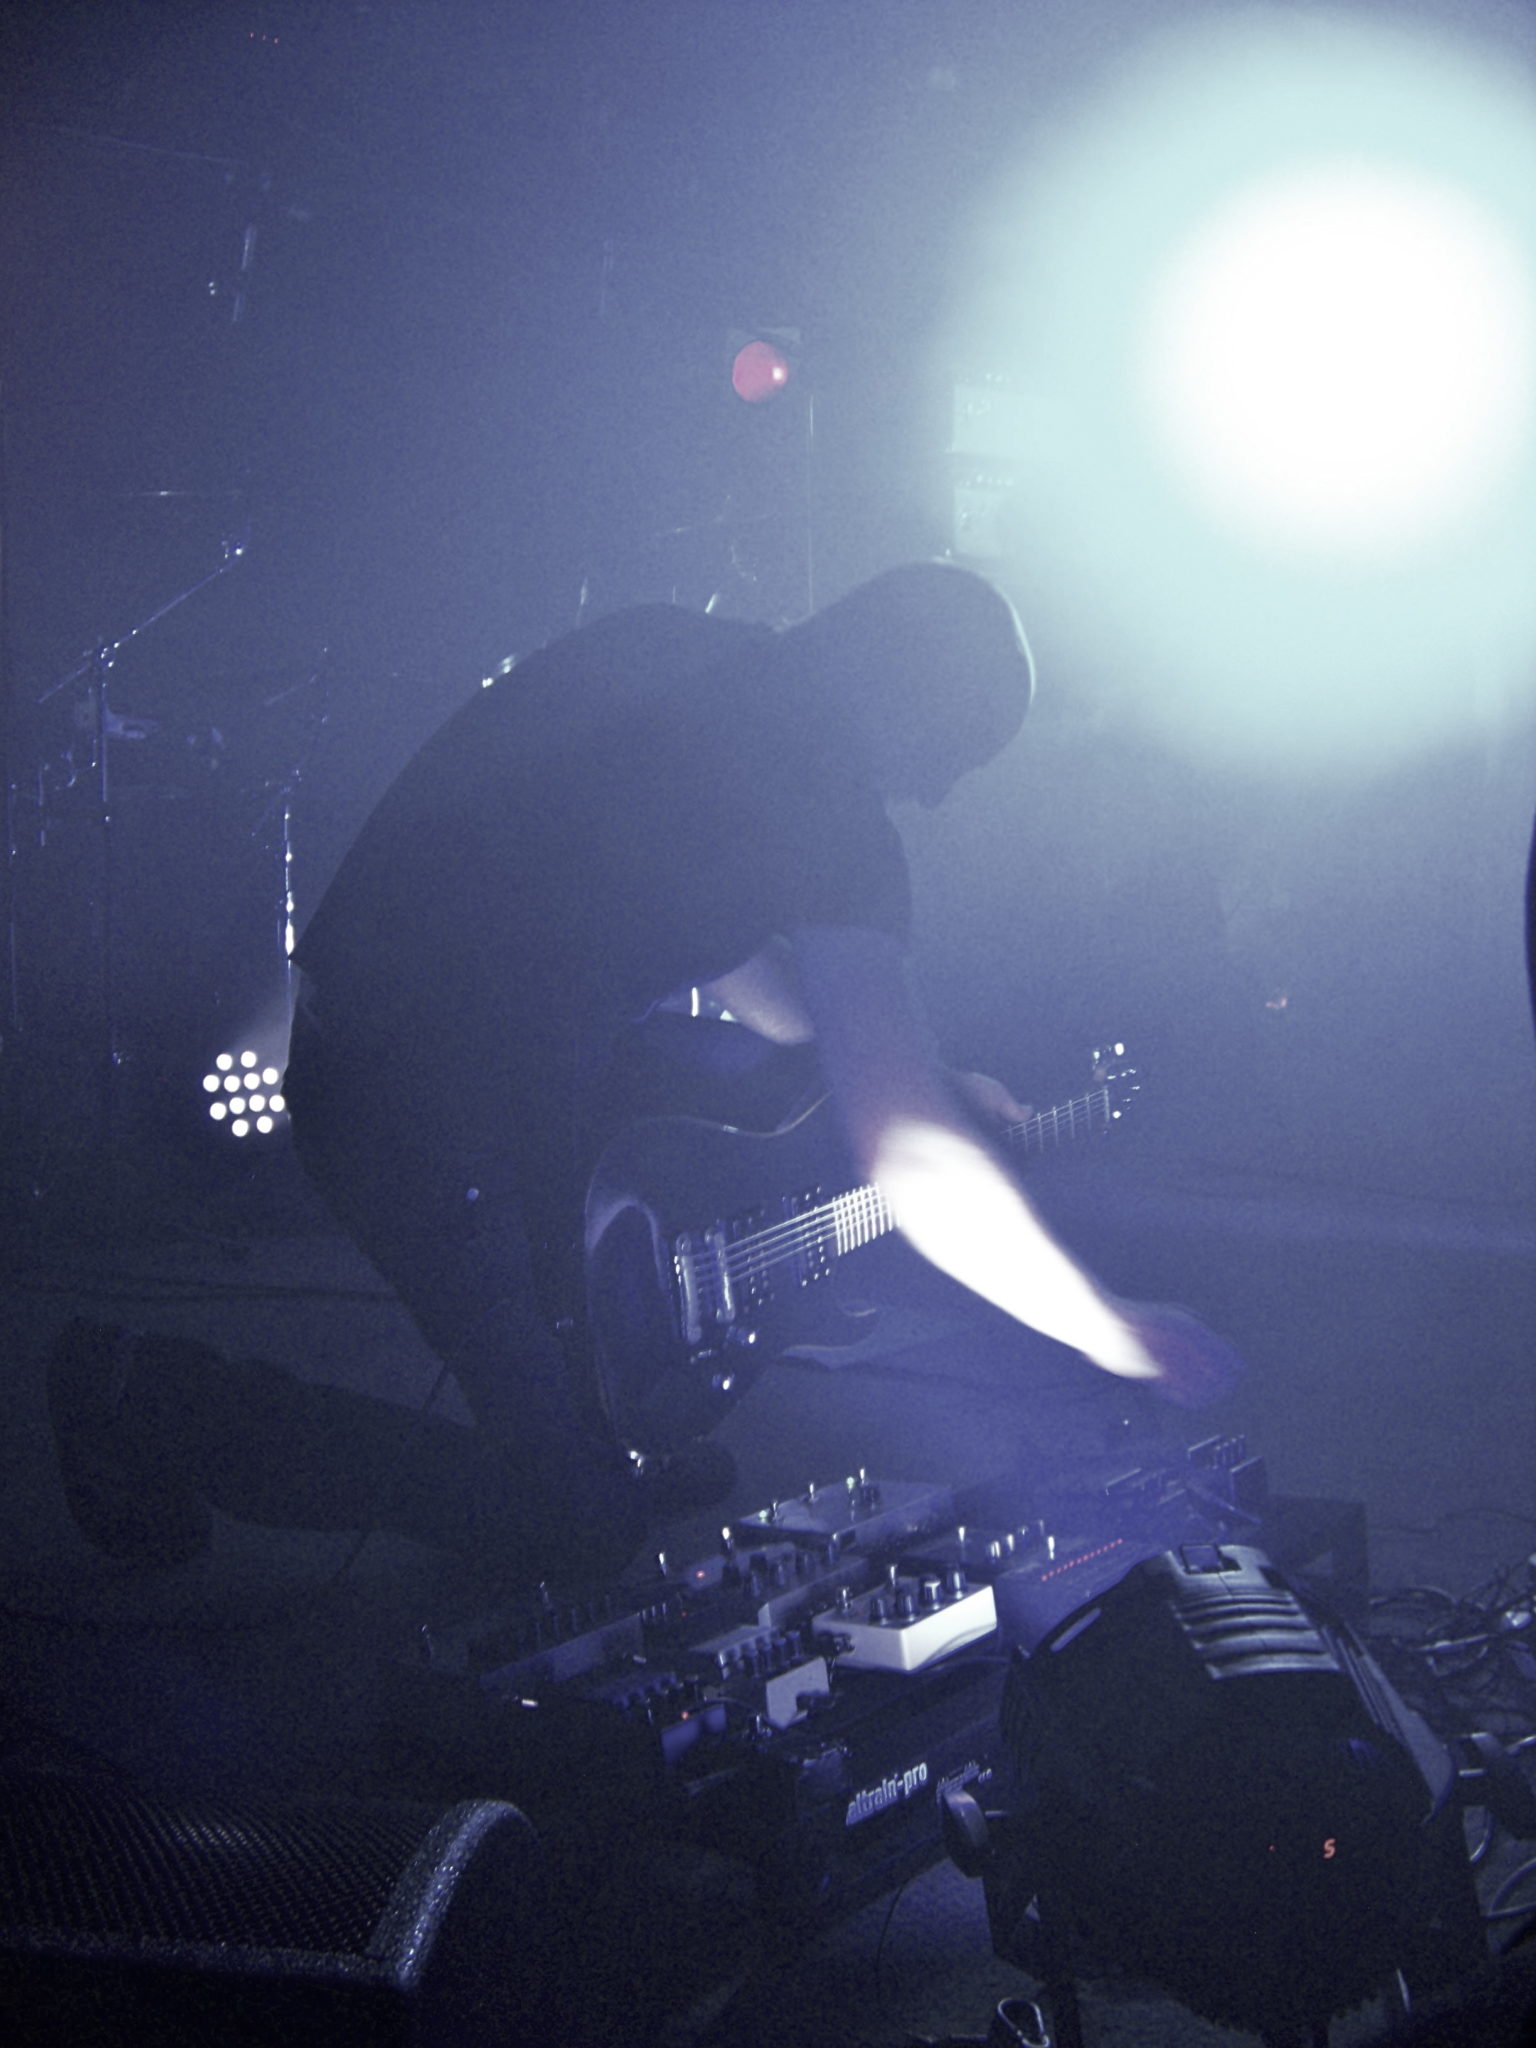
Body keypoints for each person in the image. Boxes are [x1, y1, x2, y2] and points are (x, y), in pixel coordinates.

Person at [48, 563, 1240, 1582]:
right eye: (952, 754)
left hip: (443, 1062)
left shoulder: (671, 650)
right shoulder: (826, 807)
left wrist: (911, 1071)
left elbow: (749, 980)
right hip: (414, 1106)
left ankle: (586, 1442)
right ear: (913, 703)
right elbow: (909, 1165)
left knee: (598, 1417)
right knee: (569, 1524)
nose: (934, 791)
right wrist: (1112, 1326)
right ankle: (144, 1401)